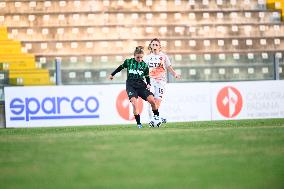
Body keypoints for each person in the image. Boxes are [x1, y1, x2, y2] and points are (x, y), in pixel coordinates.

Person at [109, 46, 160, 128]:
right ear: (134, 56)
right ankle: (139, 124)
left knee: (152, 101)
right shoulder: (128, 62)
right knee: (134, 103)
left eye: (141, 57)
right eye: (138, 57)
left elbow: (147, 76)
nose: (139, 59)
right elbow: (120, 68)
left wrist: (148, 83)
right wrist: (112, 74)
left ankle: (157, 118)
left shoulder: (144, 65)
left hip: (141, 85)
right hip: (131, 85)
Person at [143, 38, 181, 123]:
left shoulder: (163, 57)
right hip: (151, 82)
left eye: (156, 45)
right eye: (153, 44)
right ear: (150, 46)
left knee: (157, 101)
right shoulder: (147, 58)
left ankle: (156, 117)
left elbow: (169, 67)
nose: (155, 46)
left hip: (161, 82)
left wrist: (175, 74)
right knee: (150, 100)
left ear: (159, 46)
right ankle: (152, 119)